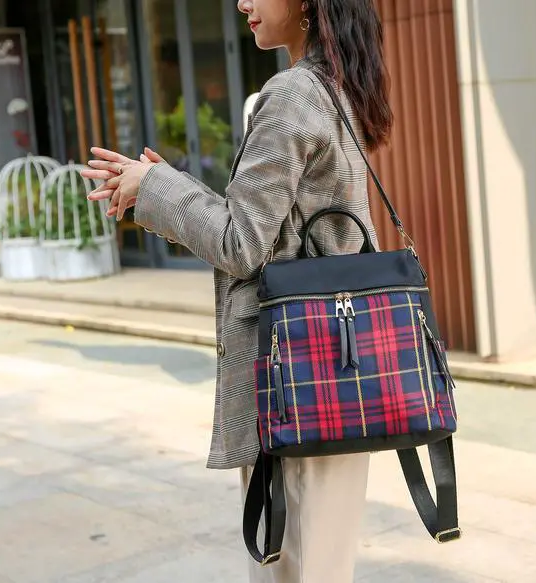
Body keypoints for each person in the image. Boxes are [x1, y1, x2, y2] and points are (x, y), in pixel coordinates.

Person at [81, 1, 393, 580]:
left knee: (295, 570)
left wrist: (155, 186)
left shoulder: (293, 94)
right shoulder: (335, 85)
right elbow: (268, 231)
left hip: (293, 382)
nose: (242, 2)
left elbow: (241, 243)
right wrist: (163, 186)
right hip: (334, 374)